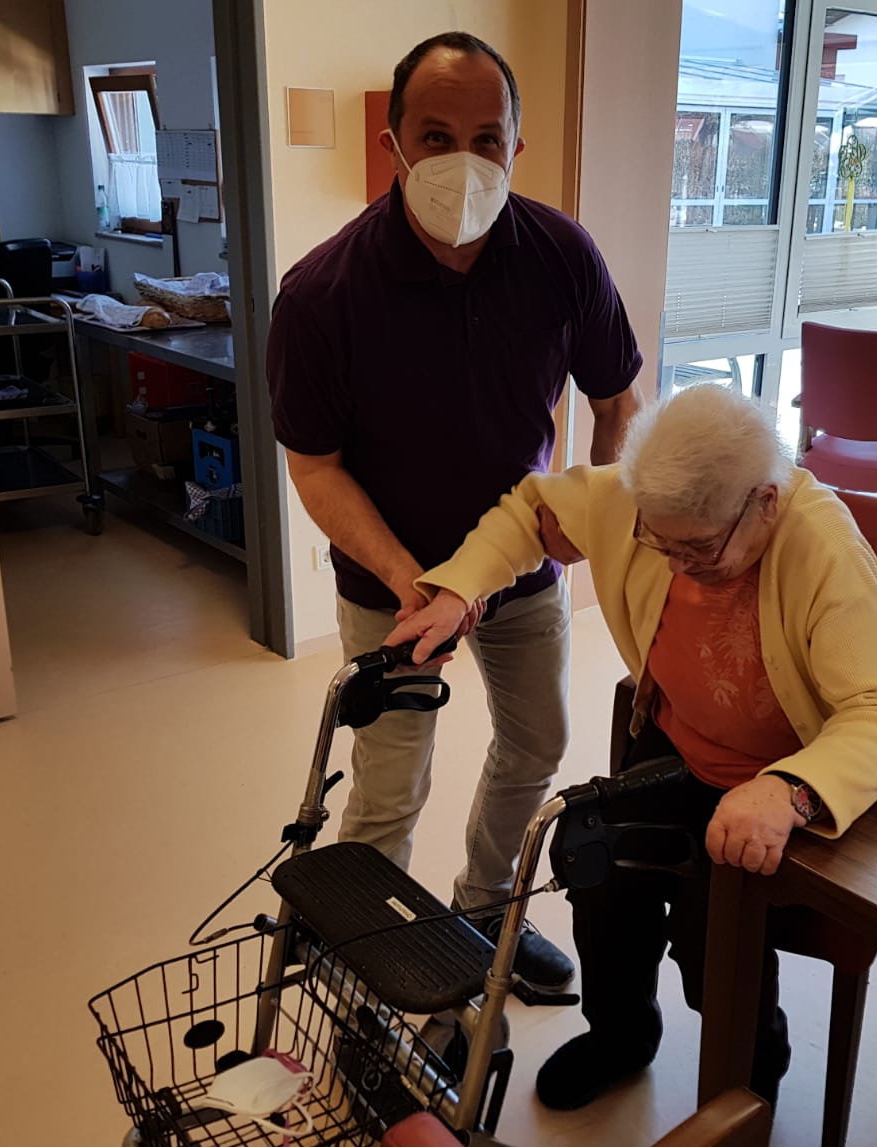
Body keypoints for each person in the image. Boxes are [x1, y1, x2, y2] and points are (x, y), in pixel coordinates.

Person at [387, 385, 877, 1111]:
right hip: (671, 747)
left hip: (773, 789)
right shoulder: (647, 500)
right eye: (658, 542)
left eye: (698, 550)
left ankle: (750, 1080)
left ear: (765, 501)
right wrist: (460, 591)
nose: (675, 566)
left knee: (714, 946)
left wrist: (790, 790)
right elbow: (530, 509)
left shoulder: (823, 548)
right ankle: (621, 1035)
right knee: (596, 868)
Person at [266, 32, 644, 990]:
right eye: (435, 136)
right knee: (390, 786)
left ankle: (484, 917)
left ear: (517, 145)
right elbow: (314, 466)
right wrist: (411, 580)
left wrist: (604, 529)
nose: (461, 161)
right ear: (394, 143)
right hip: (392, 587)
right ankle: (379, 969)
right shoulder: (322, 293)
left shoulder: (562, 255)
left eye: (487, 137)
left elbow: (616, 401)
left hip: (524, 569)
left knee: (537, 746)